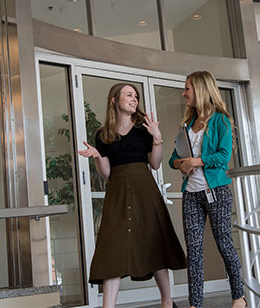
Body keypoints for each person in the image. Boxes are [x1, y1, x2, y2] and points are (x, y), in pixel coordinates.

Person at [78, 83, 186, 308]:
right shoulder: (103, 134)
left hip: (144, 191)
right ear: (114, 100)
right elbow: (106, 173)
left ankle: (167, 302)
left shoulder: (143, 129)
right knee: (112, 249)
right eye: (129, 95)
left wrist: (157, 138)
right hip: (117, 194)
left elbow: (155, 164)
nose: (134, 99)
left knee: (153, 243)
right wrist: (98, 156)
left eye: (135, 96)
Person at [169, 71, 246, 308]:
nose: (184, 93)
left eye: (187, 89)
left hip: (217, 192)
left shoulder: (221, 120)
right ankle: (195, 304)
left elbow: (224, 156)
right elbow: (173, 158)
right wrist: (181, 164)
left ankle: (239, 297)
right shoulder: (188, 124)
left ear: (200, 89)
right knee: (193, 251)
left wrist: (197, 161)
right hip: (191, 194)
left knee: (224, 243)